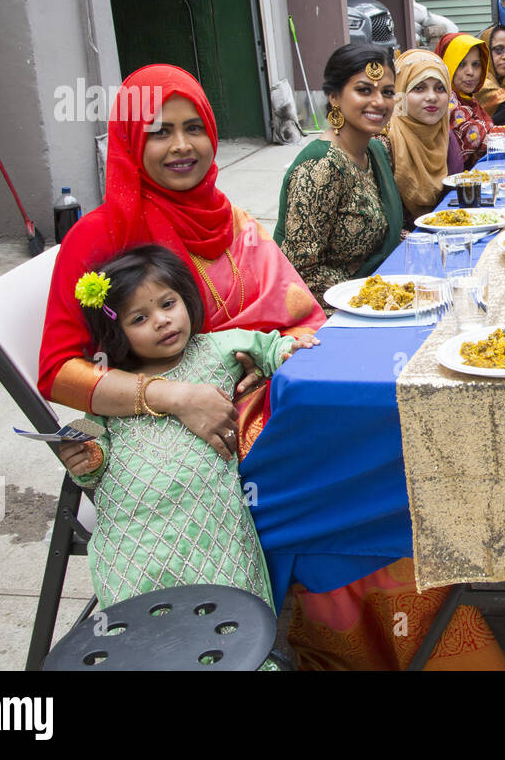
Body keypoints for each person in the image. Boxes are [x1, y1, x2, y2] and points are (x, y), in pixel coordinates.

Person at [39, 63, 327, 462]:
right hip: (174, 434)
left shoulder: (230, 219)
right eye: (160, 132)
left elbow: (298, 317)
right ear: (131, 141)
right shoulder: (100, 235)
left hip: (264, 391)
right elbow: (58, 373)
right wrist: (171, 395)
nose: (182, 145)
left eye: (194, 128)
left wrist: (267, 355)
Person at [61, 245, 317, 611]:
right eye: (139, 319)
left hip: (210, 521)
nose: (162, 320)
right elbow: (92, 446)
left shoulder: (216, 348)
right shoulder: (111, 386)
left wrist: (289, 351)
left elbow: (270, 347)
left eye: (168, 304)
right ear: (116, 332)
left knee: (224, 615)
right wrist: (85, 459)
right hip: (132, 536)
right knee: (146, 625)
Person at [276, 44, 404, 311]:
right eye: (363, 90)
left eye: (387, 92)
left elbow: (380, 232)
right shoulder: (321, 167)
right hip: (331, 313)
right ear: (334, 96)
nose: (379, 102)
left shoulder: (376, 150)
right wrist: (374, 297)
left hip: (375, 298)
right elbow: (301, 271)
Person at [380, 48, 465, 222]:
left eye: (440, 88)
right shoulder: (385, 140)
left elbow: (455, 199)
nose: (432, 97)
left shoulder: (446, 136)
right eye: (419, 88)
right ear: (400, 93)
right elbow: (382, 218)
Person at [435, 31, 505, 168]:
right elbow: (480, 140)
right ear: (446, 65)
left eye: (476, 64)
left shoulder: (469, 100)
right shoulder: (447, 102)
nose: (470, 72)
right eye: (461, 64)